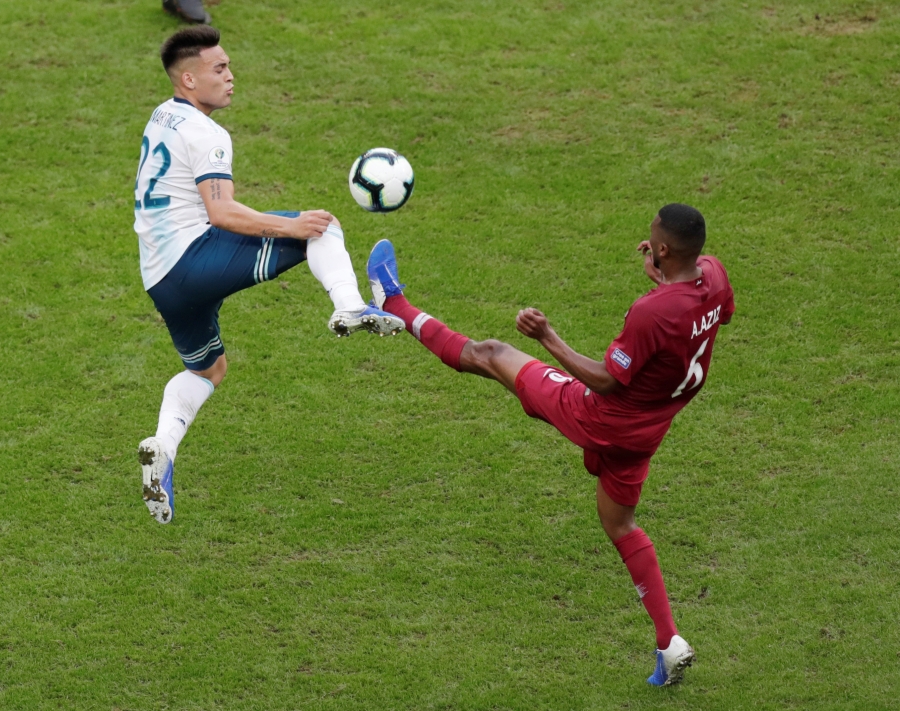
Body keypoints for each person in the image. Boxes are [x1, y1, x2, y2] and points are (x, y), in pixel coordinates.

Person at [366, 203, 734, 686]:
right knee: (621, 526)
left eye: (653, 243)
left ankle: (391, 304)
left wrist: (548, 337)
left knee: (492, 354)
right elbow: (700, 315)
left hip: (599, 416)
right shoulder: (714, 276)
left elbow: (605, 379)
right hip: (646, 434)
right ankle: (669, 643)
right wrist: (662, 277)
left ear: (664, 248)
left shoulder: (652, 312)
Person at [134, 26, 403, 524]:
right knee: (320, 227)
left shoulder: (162, 114)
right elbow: (222, 213)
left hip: (159, 279)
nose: (231, 77)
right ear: (189, 78)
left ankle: (162, 447)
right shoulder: (208, 132)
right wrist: (291, 225)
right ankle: (348, 306)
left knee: (208, 371)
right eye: (220, 69)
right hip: (196, 258)